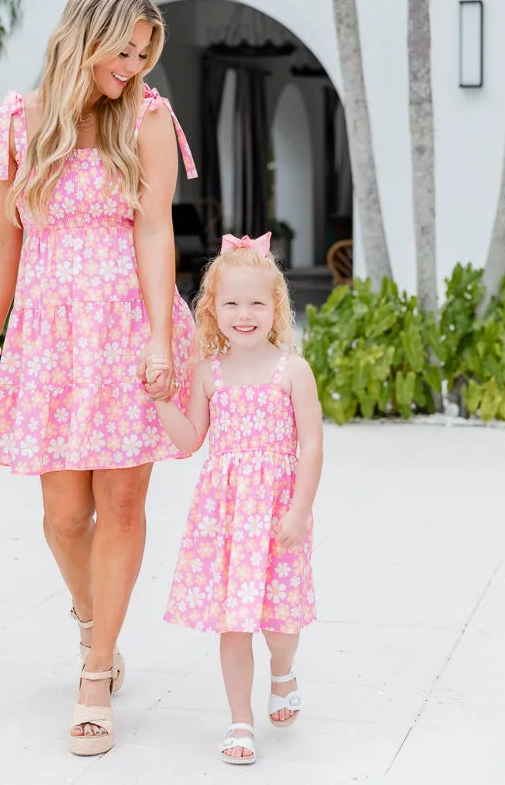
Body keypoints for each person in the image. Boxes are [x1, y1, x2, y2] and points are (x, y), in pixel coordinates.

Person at [0, 0, 197, 757]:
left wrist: (162, 341)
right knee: (66, 514)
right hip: (47, 337)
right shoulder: (14, 121)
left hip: (128, 328)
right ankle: (92, 615)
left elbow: (154, 230)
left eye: (144, 53)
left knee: (123, 504)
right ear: (86, 33)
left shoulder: (148, 116)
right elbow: (1, 240)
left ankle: (95, 675)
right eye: (125, 49)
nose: (133, 65)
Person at [145, 232, 322, 766]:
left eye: (256, 303)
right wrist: (160, 403)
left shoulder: (292, 371)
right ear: (212, 310)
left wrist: (298, 511)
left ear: (276, 307)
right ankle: (240, 721)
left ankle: (283, 670)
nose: (244, 314)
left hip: (276, 516)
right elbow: (190, 440)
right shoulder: (208, 374)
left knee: (281, 623)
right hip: (224, 520)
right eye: (231, 303)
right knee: (234, 621)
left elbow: (312, 445)